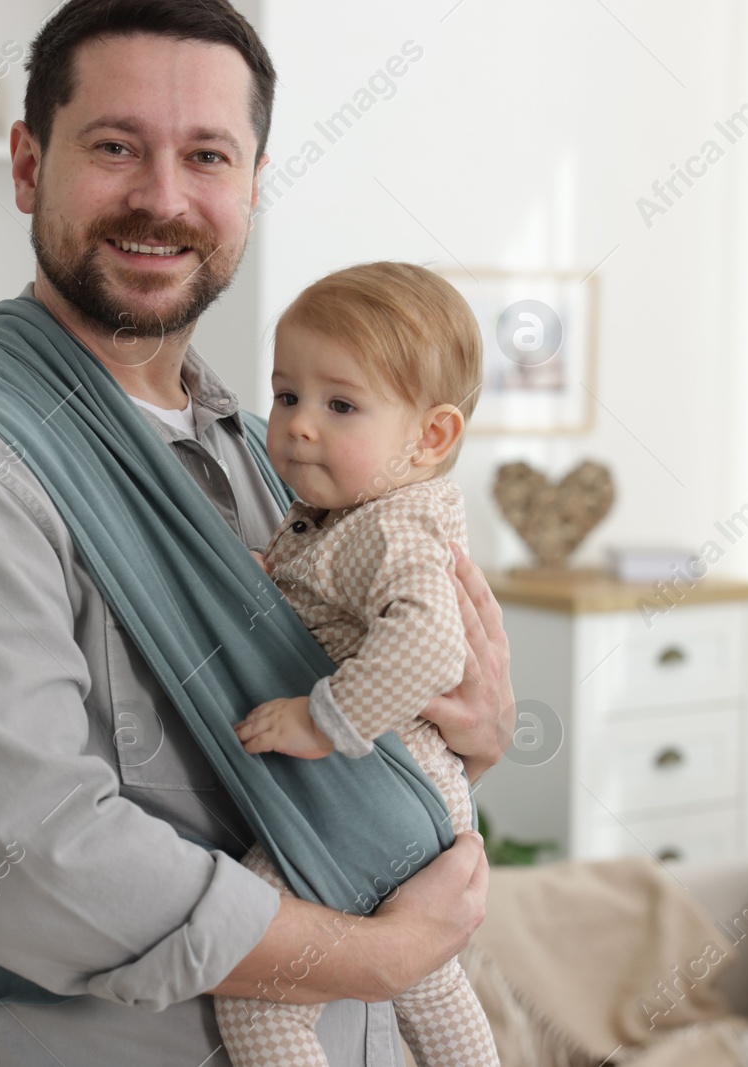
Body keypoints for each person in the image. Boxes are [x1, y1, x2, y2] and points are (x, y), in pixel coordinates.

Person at [0, 2, 516, 1064]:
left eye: (207, 155)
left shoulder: (273, 448)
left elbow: (332, 750)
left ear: (250, 186)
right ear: (26, 165)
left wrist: (477, 737)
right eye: (114, 147)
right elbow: (44, 862)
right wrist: (377, 956)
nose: (162, 197)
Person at [217, 262, 499, 1067]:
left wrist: (320, 719)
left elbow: (430, 646)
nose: (300, 425)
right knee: (433, 983)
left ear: (431, 437)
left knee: (256, 992)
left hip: (367, 795)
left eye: (340, 405)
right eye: (286, 395)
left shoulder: (390, 530)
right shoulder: (353, 517)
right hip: (417, 800)